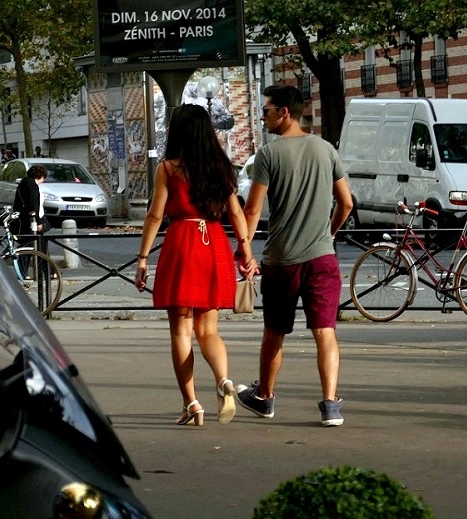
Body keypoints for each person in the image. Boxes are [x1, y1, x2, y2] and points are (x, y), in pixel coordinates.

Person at [237, 85, 354, 427]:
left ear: (284, 112)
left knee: (274, 332)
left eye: (267, 110)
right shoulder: (326, 149)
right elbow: (346, 203)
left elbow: (253, 209)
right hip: (322, 259)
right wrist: (328, 234)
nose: (263, 116)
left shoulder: (269, 155)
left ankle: (265, 398)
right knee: (325, 332)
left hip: (281, 260)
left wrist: (244, 247)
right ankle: (331, 406)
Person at [134, 104, 256, 427]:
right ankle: (224, 380)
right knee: (209, 330)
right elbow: (237, 214)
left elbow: (156, 216)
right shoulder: (221, 167)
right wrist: (246, 251)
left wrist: (143, 257)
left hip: (182, 243)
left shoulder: (168, 169)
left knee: (180, 331)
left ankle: (192, 404)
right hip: (214, 244)